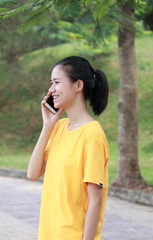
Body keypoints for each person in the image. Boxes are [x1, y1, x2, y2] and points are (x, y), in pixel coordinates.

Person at [27, 56, 110, 240]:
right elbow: (32, 173)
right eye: (51, 83)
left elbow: (95, 200)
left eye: (56, 82)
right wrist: (47, 126)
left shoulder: (92, 135)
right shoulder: (58, 128)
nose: (51, 90)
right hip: (49, 234)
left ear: (78, 85)